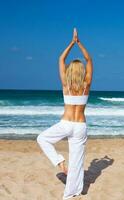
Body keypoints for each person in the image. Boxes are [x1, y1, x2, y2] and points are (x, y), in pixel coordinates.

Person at [37, 28, 93, 199]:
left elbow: (61, 59)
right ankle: (71, 193)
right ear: (81, 71)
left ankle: (60, 162)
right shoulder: (86, 84)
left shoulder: (66, 85)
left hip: (66, 124)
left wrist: (71, 42)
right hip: (80, 126)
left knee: (42, 139)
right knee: (77, 161)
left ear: (70, 71)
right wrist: (80, 43)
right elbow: (88, 59)